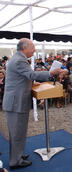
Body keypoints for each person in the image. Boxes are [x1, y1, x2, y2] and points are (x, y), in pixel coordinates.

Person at [2, 38, 63, 169]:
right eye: (32, 47)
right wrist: (51, 73)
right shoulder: (19, 60)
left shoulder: (18, 58)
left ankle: (18, 155)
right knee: (17, 132)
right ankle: (15, 161)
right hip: (16, 103)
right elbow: (31, 74)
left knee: (18, 132)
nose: (34, 50)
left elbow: (23, 78)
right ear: (24, 48)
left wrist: (32, 84)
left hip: (16, 101)